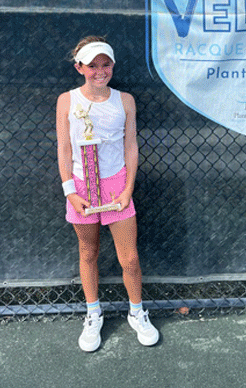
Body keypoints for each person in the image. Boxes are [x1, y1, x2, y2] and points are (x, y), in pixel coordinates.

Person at [56, 36, 159, 352]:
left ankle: (137, 312)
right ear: (79, 68)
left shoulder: (125, 100)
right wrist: (70, 193)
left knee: (130, 257)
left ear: (112, 65)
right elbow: (64, 148)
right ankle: (93, 313)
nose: (100, 71)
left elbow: (130, 145)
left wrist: (128, 189)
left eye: (106, 64)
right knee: (88, 253)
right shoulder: (66, 101)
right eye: (92, 65)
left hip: (117, 186)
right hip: (81, 188)